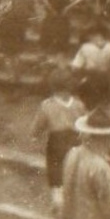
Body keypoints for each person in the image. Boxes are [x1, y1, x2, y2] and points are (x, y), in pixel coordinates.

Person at [33, 69, 88, 210]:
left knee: (55, 170)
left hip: (57, 141)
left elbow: (38, 125)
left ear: (52, 86)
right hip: (75, 140)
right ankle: (73, 199)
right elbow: (85, 123)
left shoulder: (47, 105)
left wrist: (35, 134)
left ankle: (57, 199)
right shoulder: (78, 104)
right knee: (74, 169)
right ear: (71, 86)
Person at [71, 21, 110, 109]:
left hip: (90, 78)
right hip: (105, 78)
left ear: (92, 35)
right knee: (103, 100)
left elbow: (75, 66)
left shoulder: (85, 47)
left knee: (88, 101)